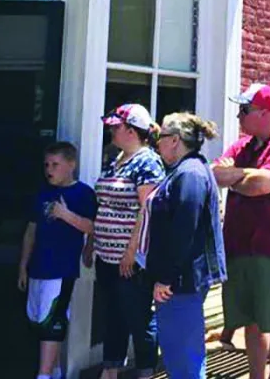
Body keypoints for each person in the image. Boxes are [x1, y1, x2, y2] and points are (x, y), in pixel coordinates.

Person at [213, 84, 270, 379]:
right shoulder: (242, 147)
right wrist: (246, 177)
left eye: (244, 110)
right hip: (238, 247)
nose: (239, 116)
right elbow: (216, 172)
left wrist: (236, 176)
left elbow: (264, 185)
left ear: (265, 113)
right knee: (250, 321)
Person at [141, 112, 227, 379]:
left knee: (184, 358)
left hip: (182, 281)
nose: (157, 143)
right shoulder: (185, 171)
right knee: (177, 354)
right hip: (179, 279)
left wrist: (166, 277)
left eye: (161, 137)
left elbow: (184, 230)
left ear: (175, 140)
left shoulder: (189, 174)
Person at [87, 104, 164, 379]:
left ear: (131, 130)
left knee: (138, 317)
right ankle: (111, 370)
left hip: (130, 259)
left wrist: (131, 252)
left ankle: (145, 372)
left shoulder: (147, 162)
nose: (111, 130)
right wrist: (91, 242)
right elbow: (103, 204)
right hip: (106, 255)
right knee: (113, 314)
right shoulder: (115, 159)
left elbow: (147, 209)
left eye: (115, 126)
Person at [18, 143, 96, 379]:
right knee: (38, 319)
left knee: (52, 321)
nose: (49, 169)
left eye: (55, 164)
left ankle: (43, 374)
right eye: (47, 165)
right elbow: (31, 230)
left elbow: (92, 227)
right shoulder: (43, 193)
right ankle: (56, 371)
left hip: (61, 269)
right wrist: (23, 265)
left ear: (71, 165)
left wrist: (66, 215)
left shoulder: (83, 193)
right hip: (38, 267)